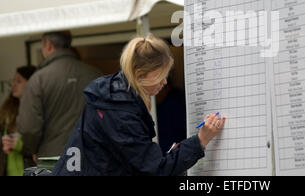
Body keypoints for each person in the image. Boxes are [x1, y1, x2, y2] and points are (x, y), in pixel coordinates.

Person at [53, 35, 225, 176]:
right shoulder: (120, 111)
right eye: (160, 75)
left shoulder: (112, 95)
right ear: (139, 74)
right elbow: (156, 169)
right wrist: (200, 140)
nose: (165, 82)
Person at [16, 31, 102, 161]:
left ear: (48, 45)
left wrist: (33, 149)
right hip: (92, 155)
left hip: (52, 159)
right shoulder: (96, 75)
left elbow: (29, 127)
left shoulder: (38, 79)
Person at [0, 66, 37, 176]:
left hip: (29, 171)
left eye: (19, 81)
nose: (13, 84)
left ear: (31, 83)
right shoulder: (7, 109)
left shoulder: (37, 110)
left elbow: (44, 148)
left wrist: (20, 146)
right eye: (13, 81)